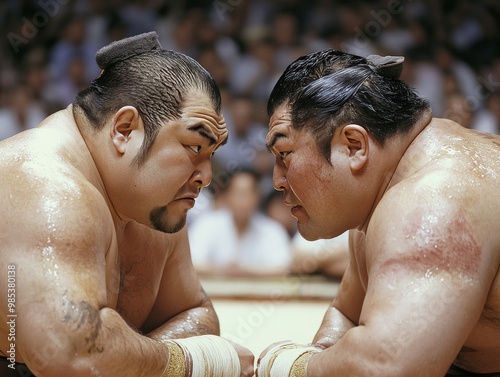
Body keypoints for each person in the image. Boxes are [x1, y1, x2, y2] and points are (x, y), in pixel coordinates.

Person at [0, 32, 254, 377]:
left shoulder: (152, 205)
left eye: (212, 155)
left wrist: (126, 356)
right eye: (195, 147)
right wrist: (189, 361)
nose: (206, 177)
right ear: (124, 129)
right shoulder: (45, 186)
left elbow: (197, 314)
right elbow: (71, 354)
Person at [256, 49, 500, 376]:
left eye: (285, 154)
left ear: (354, 146)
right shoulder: (385, 189)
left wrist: (287, 365)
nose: (277, 180)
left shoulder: (433, 200)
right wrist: (322, 357)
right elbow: (347, 315)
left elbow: (385, 367)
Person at [189, 169, 292, 277]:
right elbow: (191, 263)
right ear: (227, 195)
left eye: (247, 193)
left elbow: (284, 268)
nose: (242, 200)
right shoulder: (207, 224)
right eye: (238, 193)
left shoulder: (272, 229)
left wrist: (245, 271)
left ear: (257, 196)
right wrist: (222, 270)